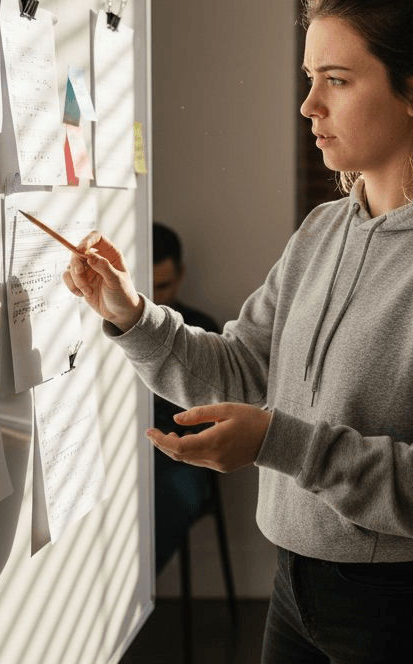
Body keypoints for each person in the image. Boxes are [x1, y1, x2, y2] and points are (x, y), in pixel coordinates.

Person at [63, 0, 413, 664]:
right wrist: (128, 314)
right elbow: (242, 370)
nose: (309, 106)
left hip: (409, 615)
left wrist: (277, 441)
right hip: (297, 594)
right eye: (309, 78)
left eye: (337, 81)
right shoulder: (324, 231)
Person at [149, 222, 221, 574]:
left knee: (166, 496)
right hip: (132, 454)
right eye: (146, 288)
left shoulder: (203, 330)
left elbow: (209, 420)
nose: (156, 299)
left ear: (180, 275)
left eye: (163, 286)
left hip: (185, 460)